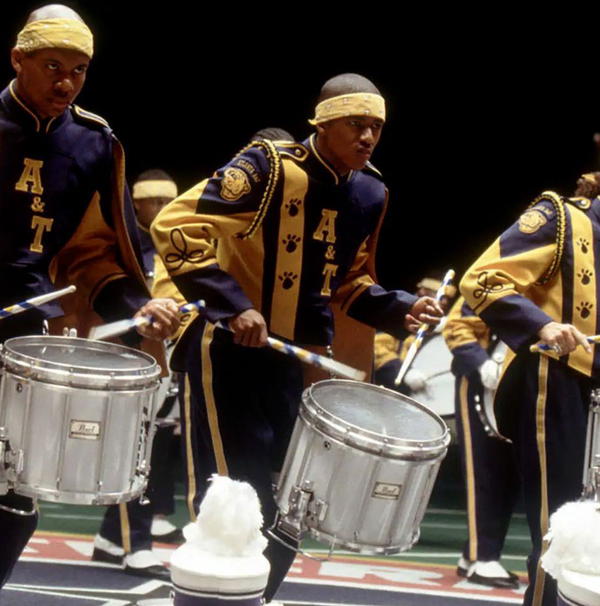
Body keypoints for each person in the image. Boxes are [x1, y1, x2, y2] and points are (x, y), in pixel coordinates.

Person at [150, 73, 444, 601]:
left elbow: (349, 285)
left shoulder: (370, 191)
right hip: (227, 350)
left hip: (292, 361)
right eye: (357, 124)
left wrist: (403, 306)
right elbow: (177, 225)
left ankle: (253, 597)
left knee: (290, 504)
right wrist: (234, 306)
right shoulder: (267, 165)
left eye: (376, 127)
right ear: (324, 122)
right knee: (231, 497)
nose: (369, 137)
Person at [0, 4, 179, 588]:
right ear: (17, 59)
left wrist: (140, 306)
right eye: (53, 66)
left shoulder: (93, 144)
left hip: (28, 338)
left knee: (14, 505)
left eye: (79, 71)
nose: (66, 82)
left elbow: (96, 254)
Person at [460, 186, 598, 606]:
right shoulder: (561, 217)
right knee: (561, 531)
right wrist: (541, 325)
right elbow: (481, 279)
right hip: (557, 380)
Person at [93, 169, 183, 580]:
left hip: (166, 356)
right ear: (138, 203)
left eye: (169, 201)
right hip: (131, 358)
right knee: (137, 452)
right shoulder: (125, 244)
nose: (163, 209)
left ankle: (112, 538)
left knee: (150, 452)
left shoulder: (178, 244)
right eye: (154, 202)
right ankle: (136, 545)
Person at [443, 296, 520, 589]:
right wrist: (480, 362)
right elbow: (456, 326)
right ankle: (483, 557)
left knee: (508, 474)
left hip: (515, 381)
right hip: (480, 379)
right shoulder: (488, 279)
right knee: (483, 468)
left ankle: (474, 553)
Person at [374, 274, 455, 392]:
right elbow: (377, 347)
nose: (444, 301)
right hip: (387, 387)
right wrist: (405, 372)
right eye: (440, 295)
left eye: (448, 298)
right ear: (423, 291)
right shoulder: (402, 311)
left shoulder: (447, 325)